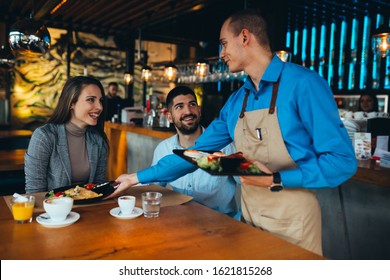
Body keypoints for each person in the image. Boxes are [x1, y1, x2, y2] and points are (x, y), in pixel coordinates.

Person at [109, 9, 357, 255]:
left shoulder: (304, 84)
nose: (222, 53)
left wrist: (277, 179)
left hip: (293, 223)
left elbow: (342, 162)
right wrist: (135, 178)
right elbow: (193, 154)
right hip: (248, 220)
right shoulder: (238, 100)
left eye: (224, 44)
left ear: (245, 37)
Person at [152, 86, 240, 219]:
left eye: (192, 105)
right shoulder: (163, 149)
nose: (188, 111)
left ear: (199, 110)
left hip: (221, 226)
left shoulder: (225, 146)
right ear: (169, 117)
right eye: (179, 107)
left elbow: (249, 184)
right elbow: (154, 190)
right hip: (181, 223)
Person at [25, 76, 109, 193]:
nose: (100, 107)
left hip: (88, 207)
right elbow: (35, 191)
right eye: (91, 99)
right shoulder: (44, 136)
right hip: (53, 208)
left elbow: (98, 187)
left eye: (100, 101)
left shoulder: (98, 139)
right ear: (71, 103)